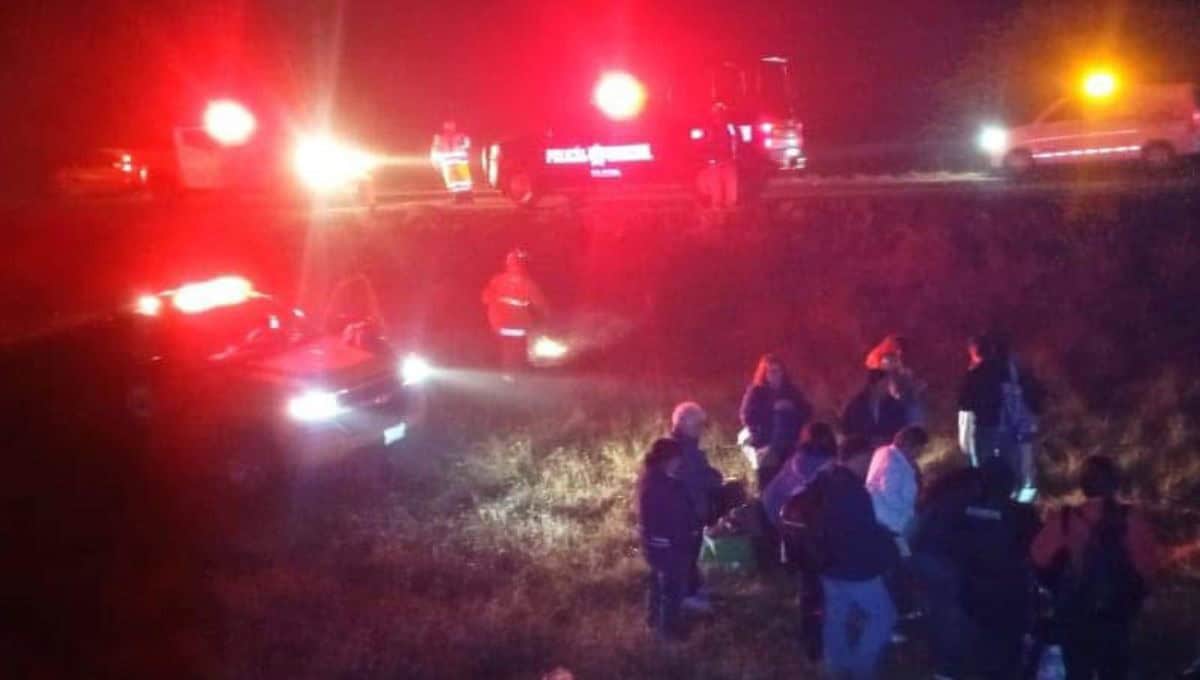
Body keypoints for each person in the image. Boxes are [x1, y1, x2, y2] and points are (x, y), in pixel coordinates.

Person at [1031, 455, 1161, 680]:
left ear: (1083, 485)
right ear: (1114, 483)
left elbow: (1038, 557)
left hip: (1076, 613)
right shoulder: (1131, 519)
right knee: (1114, 671)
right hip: (1116, 614)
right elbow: (1148, 566)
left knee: (1078, 671)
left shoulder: (1065, 518)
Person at [807, 438, 902, 679]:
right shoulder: (852, 490)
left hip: (826, 562)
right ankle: (860, 668)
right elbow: (863, 533)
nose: (868, 465)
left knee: (836, 616)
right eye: (867, 460)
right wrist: (889, 550)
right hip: (854, 567)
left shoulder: (825, 480)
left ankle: (836, 667)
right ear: (858, 458)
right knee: (884, 615)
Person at [762, 422, 837, 660]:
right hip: (815, 538)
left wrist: (782, 527)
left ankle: (810, 640)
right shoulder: (826, 469)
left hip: (796, 537)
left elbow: (769, 497)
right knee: (821, 589)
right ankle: (818, 644)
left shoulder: (794, 462)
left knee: (809, 588)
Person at [637, 438, 700, 641]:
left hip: (653, 545)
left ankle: (653, 621)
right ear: (669, 459)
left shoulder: (648, 480)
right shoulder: (668, 487)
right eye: (677, 459)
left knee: (657, 582)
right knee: (673, 591)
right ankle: (670, 634)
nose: (679, 463)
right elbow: (677, 519)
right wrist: (690, 535)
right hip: (669, 547)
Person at [669, 402, 723, 613]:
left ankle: (693, 588)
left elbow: (702, 472)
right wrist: (715, 479)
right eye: (696, 424)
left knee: (692, 551)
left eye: (701, 424)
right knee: (686, 553)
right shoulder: (680, 449)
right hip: (685, 511)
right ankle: (686, 596)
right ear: (682, 424)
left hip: (692, 509)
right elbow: (696, 478)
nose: (700, 429)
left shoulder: (687, 445)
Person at [739, 354, 813, 491]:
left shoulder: (791, 391)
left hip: (790, 447)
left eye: (779, 371)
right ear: (764, 374)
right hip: (766, 447)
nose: (776, 375)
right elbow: (746, 416)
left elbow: (808, 411)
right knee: (770, 488)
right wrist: (772, 409)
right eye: (771, 371)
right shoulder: (756, 392)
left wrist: (791, 407)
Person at [480, 249, 548, 375]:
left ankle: (508, 378)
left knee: (508, 356)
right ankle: (515, 377)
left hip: (502, 326)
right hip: (516, 327)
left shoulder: (498, 281)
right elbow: (541, 306)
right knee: (517, 356)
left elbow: (485, 298)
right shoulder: (526, 284)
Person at [865, 427, 928, 551]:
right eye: (920, 449)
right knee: (904, 556)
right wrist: (912, 509)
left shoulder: (887, 454)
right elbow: (889, 493)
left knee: (904, 555)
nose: (920, 454)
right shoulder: (893, 462)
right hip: (893, 525)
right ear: (910, 445)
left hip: (891, 522)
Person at [864, 334, 927, 426]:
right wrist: (897, 393)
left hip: (892, 394)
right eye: (899, 348)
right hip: (888, 396)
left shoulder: (894, 358)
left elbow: (903, 373)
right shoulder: (887, 359)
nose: (901, 352)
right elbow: (891, 378)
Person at [842, 370, 909, 449]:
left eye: (887, 385)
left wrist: (887, 440)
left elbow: (902, 428)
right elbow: (849, 432)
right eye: (883, 385)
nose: (886, 389)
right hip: (865, 452)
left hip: (890, 449)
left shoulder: (895, 405)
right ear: (872, 386)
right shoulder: (854, 407)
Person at [696, 102, 739, 211]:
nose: (720, 115)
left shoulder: (730, 126)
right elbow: (704, 143)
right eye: (718, 112)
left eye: (721, 112)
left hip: (728, 160)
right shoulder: (709, 128)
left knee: (730, 184)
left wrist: (735, 156)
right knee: (716, 184)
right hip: (715, 160)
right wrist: (709, 158)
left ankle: (730, 205)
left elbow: (736, 140)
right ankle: (717, 205)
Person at [430, 120, 473, 202]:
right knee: (457, 182)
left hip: (454, 162)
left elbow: (467, 145)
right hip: (453, 162)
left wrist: (435, 162)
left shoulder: (459, 136)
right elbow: (435, 150)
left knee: (461, 181)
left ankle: (465, 197)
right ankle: (461, 197)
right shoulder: (441, 138)